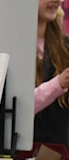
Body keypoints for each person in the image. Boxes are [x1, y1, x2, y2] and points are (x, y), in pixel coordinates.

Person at [35, 1, 69, 151]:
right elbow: (18, 108)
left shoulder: (66, 47)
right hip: (19, 156)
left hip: (61, 155)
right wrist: (58, 84)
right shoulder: (9, 48)